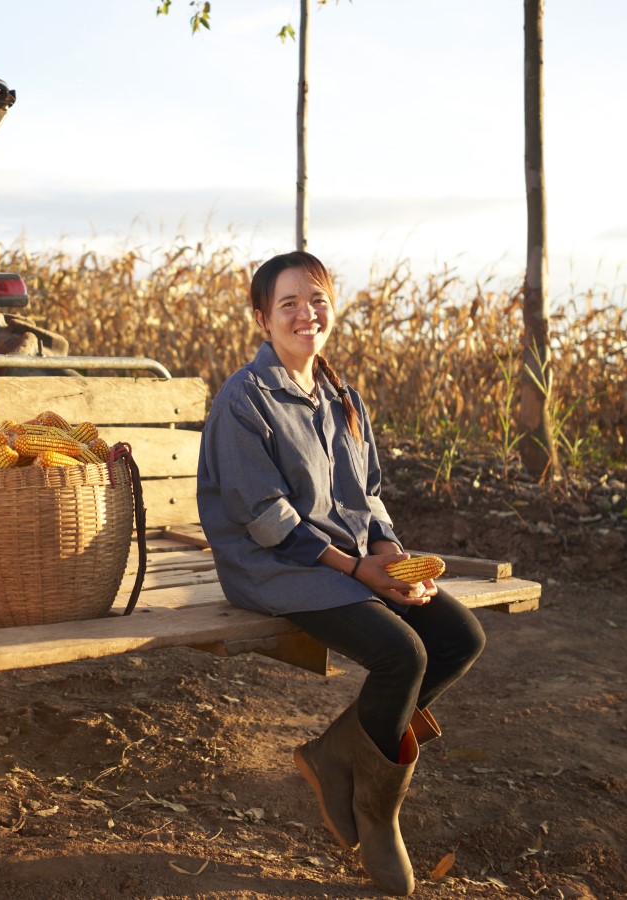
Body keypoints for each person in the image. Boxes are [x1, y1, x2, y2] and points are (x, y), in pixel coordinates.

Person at [196, 251, 485, 896]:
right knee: (401, 655)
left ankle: (335, 755)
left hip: (348, 561)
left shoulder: (341, 395)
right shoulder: (245, 400)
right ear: (263, 318)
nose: (307, 313)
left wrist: (390, 556)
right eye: (289, 303)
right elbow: (264, 517)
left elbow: (369, 493)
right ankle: (377, 814)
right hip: (273, 567)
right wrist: (358, 569)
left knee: (461, 637)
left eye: (317, 299)